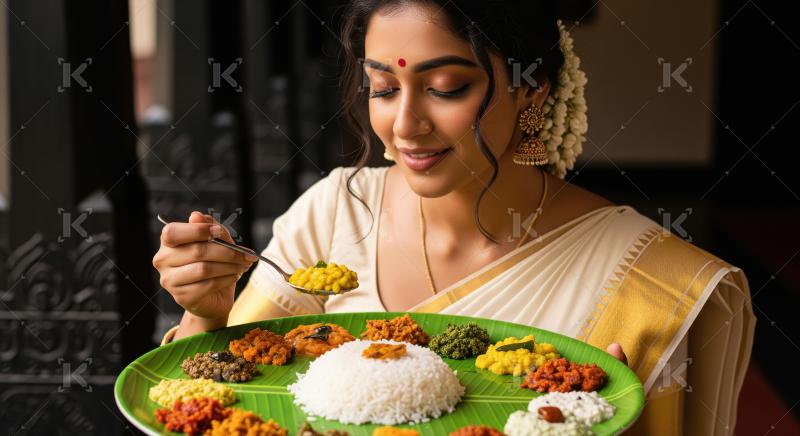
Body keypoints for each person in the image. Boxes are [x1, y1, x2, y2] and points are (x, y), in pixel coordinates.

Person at [152, 1, 754, 434]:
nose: (405, 124)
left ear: (532, 89)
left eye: (444, 87)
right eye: (383, 88)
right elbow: (231, 408)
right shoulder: (332, 214)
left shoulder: (655, 286)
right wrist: (206, 312)